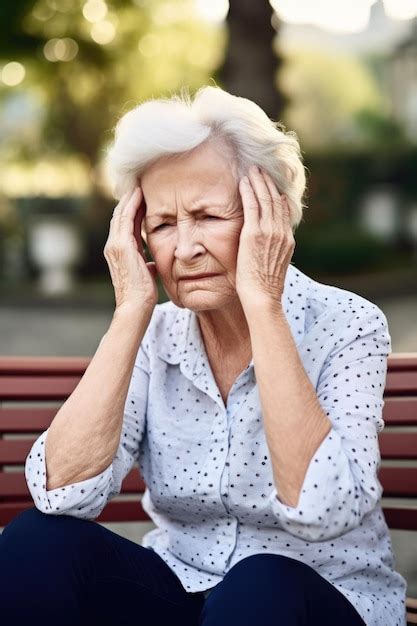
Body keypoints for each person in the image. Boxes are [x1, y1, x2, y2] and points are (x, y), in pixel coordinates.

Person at [0, 85, 407, 626]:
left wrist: (263, 305)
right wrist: (129, 316)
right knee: (36, 541)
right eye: (163, 225)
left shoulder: (347, 324)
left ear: (274, 217)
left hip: (314, 600)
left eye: (209, 216)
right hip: (184, 594)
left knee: (260, 583)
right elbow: (62, 497)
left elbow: (322, 511)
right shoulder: (155, 332)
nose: (185, 249)